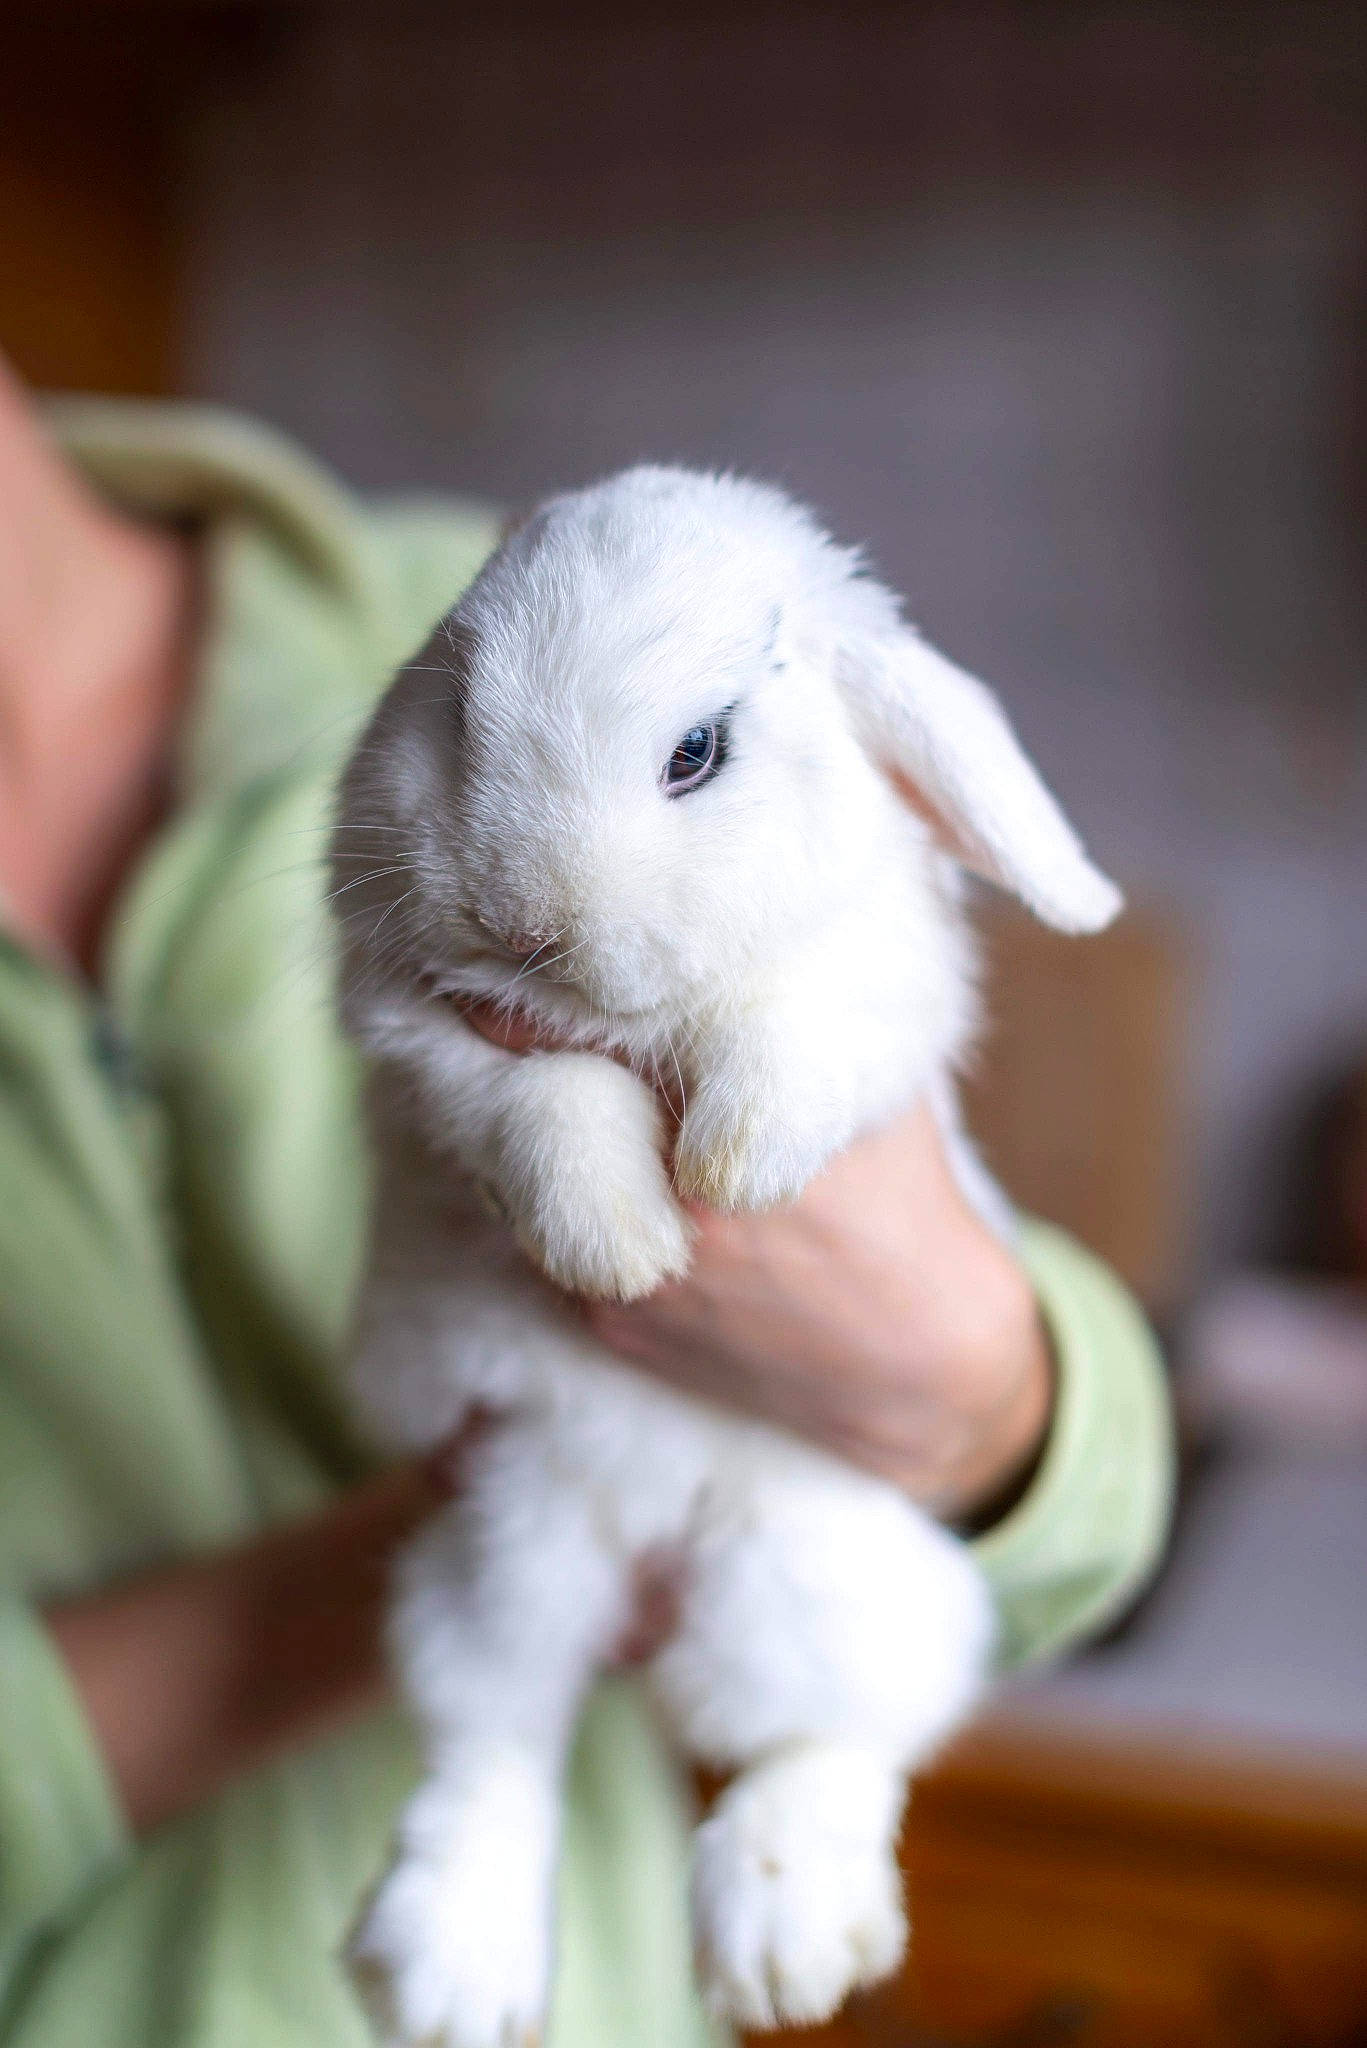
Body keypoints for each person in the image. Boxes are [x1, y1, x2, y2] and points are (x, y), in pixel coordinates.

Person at [0, 355, 1172, 2048]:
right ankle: (482, 1816)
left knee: (815, 1600)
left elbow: (1091, 1525)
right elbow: (410, 1013)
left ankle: (819, 1785)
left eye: (691, 759)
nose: (535, 904)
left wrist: (962, 1379)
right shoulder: (441, 693)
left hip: (616, 1978)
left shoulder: (458, 587)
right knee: (520, 1578)